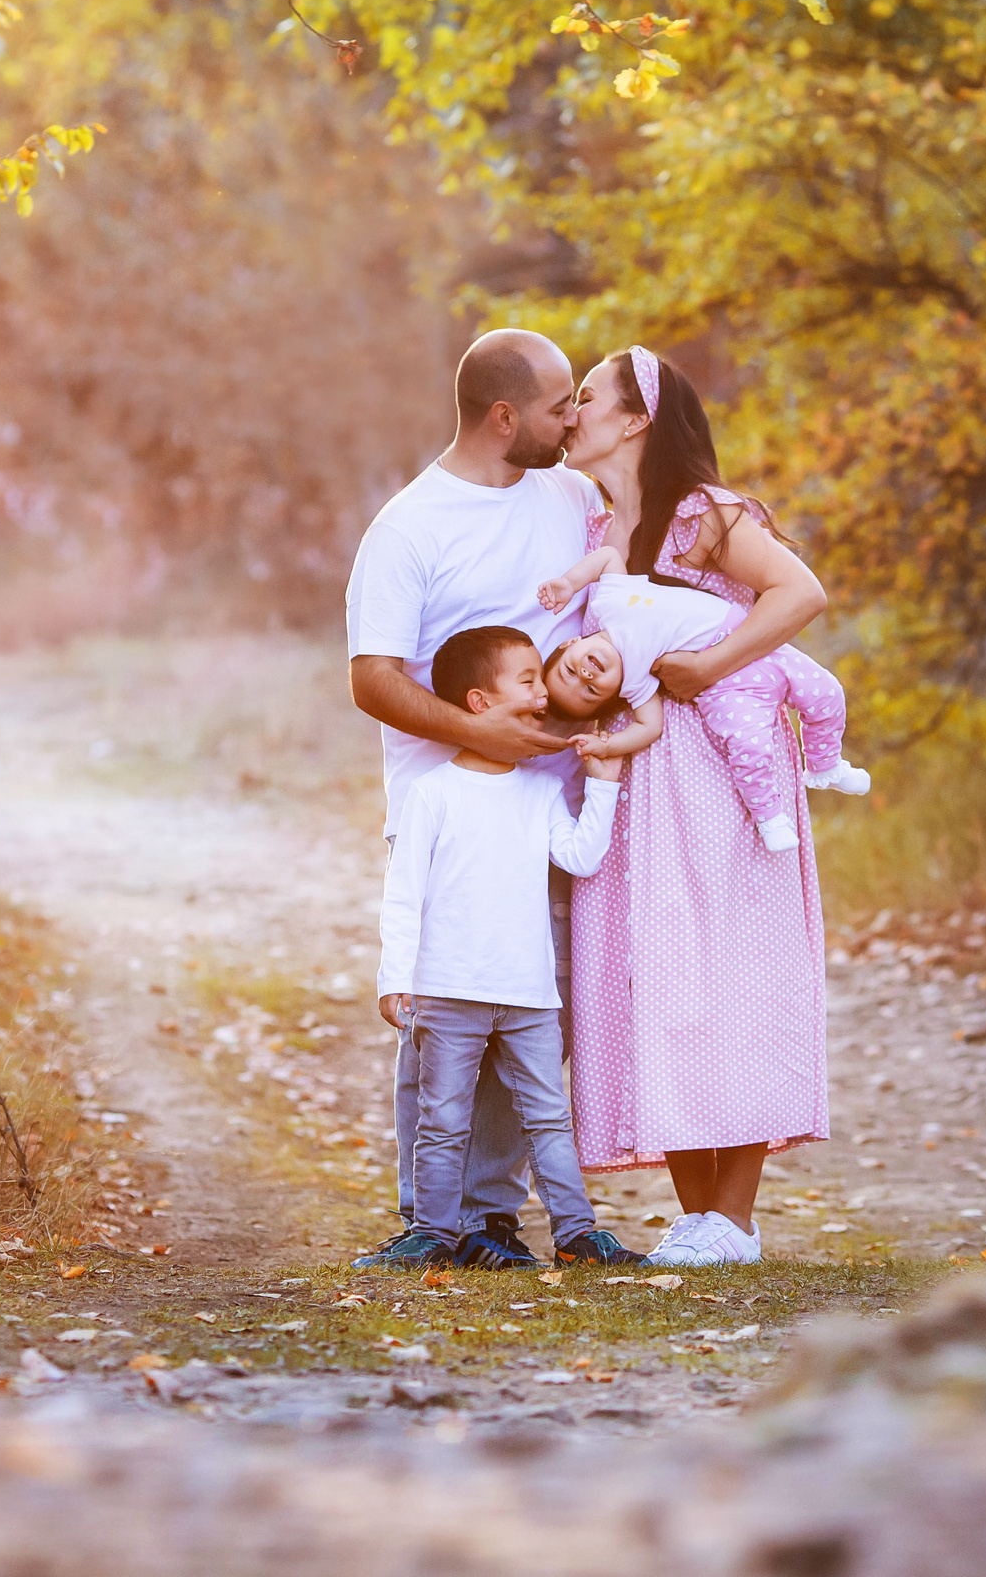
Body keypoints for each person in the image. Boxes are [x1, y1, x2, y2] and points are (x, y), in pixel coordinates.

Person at [560, 344, 834, 1269]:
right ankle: (700, 1220)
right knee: (655, 974)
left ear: (637, 418)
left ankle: (737, 1218)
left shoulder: (704, 514)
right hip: (637, 775)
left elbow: (800, 592)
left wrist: (707, 666)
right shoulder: (595, 525)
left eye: (587, 397)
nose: (572, 412)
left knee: (732, 968)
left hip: (720, 770)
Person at [343, 328, 602, 1268]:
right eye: (558, 407)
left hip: (551, 812)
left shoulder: (574, 499)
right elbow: (372, 679)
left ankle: (493, 1217)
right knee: (448, 1030)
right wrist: (481, 735)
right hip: (447, 815)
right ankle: (432, 1219)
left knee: (532, 1015)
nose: (571, 422)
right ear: (503, 417)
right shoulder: (409, 528)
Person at [370, 626, 644, 1271]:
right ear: (479, 702)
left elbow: (580, 856)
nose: (543, 692)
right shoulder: (432, 794)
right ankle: (432, 1236)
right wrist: (394, 977)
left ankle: (576, 1233)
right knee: (442, 1121)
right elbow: (404, 894)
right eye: (527, 681)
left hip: (529, 995)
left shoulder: (540, 791)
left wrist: (603, 784)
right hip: (447, 991)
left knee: (548, 1119)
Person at [538, 553, 870, 852]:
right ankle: (769, 817)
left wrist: (569, 583)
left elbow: (608, 556)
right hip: (724, 683)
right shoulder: (636, 684)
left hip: (748, 642)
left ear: (570, 644)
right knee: (749, 745)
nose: (586, 675)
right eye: (590, 691)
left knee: (826, 691)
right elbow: (650, 727)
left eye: (570, 670)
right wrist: (609, 745)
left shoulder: (609, 602)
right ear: (612, 695)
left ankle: (826, 764)